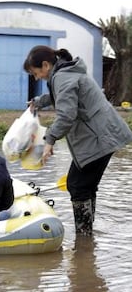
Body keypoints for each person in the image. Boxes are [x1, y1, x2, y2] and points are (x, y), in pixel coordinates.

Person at [23, 45, 132, 236]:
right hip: (102, 136)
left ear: (46, 65)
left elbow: (66, 115)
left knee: (77, 184)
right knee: (85, 185)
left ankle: (83, 239)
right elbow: (61, 96)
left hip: (100, 138)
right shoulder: (65, 73)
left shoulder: (63, 77)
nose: (36, 77)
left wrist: (49, 140)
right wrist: (39, 101)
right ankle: (87, 237)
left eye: (35, 72)